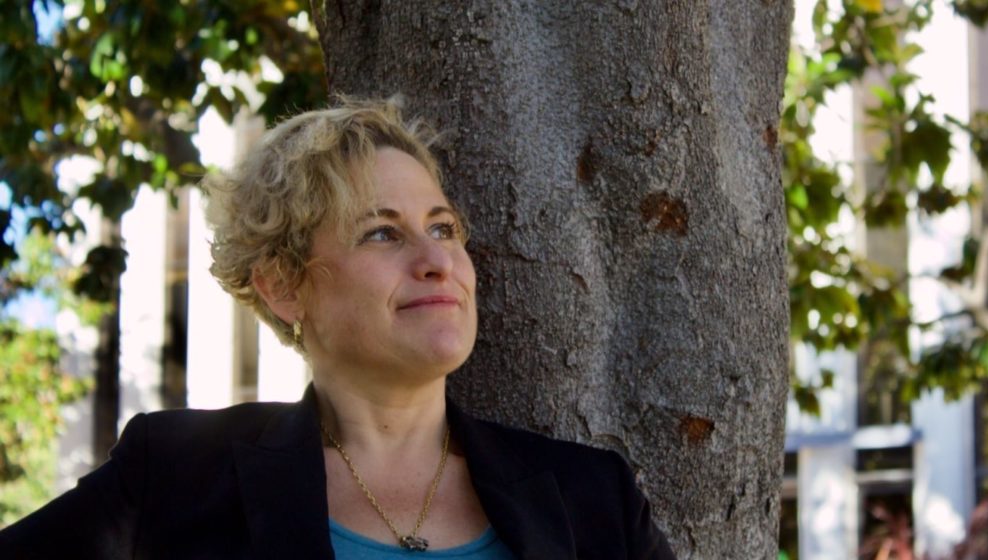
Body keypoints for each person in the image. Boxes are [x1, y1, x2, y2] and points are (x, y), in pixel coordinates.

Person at [0, 98, 675, 559]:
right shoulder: (172, 476)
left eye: (443, 228)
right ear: (284, 285)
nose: (438, 260)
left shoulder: (595, 498)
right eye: (382, 233)